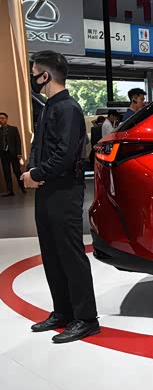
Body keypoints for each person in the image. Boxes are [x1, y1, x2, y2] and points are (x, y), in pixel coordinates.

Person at [22, 51, 99, 343]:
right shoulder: (48, 108)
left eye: (34, 73)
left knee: (69, 254)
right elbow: (39, 147)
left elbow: (65, 155)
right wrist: (33, 170)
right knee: (52, 253)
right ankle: (63, 311)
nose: (32, 78)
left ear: (45, 76)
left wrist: (37, 173)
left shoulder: (68, 108)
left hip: (65, 190)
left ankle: (86, 319)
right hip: (47, 189)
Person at [0, 112, 24, 197]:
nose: (1, 120)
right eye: (0, 118)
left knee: (17, 171)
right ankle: (10, 191)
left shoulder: (13, 129)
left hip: (13, 153)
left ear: (6, 119)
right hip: (4, 154)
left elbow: (18, 141)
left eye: (2, 118)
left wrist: (19, 152)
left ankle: (22, 187)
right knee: (6, 172)